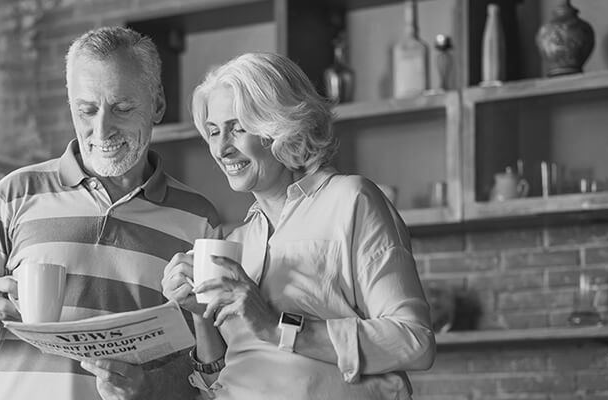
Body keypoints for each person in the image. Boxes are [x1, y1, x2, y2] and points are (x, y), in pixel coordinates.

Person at [0, 26, 221, 400]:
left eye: (122, 108)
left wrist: (150, 388)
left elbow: (208, 369)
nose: (102, 129)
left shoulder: (200, 219)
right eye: (86, 110)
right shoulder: (16, 193)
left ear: (158, 105)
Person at [161, 52, 435, 399]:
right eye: (214, 132)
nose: (221, 148)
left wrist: (278, 328)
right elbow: (224, 374)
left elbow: (415, 341)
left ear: (280, 125)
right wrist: (200, 316)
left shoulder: (350, 201)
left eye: (238, 128)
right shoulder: (238, 240)